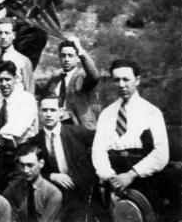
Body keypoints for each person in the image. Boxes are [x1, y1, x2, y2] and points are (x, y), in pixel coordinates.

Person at [92, 59, 169, 210]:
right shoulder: (106, 114)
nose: (121, 85)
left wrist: (131, 175)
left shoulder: (151, 112)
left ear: (137, 80)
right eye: (117, 80)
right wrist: (110, 177)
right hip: (114, 182)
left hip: (143, 179)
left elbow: (161, 153)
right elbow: (98, 150)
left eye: (126, 79)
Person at [34, 95, 101, 221]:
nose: (48, 114)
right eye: (44, 110)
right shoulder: (35, 141)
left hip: (82, 196)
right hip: (54, 197)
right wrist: (51, 176)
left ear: (61, 112)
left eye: (53, 110)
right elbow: (26, 171)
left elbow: (103, 142)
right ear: (39, 112)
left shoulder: (78, 133)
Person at [0, 60, 38, 189]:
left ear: (15, 78)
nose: (4, 84)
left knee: (18, 192)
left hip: (22, 153)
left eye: (7, 79)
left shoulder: (26, 99)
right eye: (0, 80)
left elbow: (18, 127)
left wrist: (1, 137)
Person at [43, 36, 100, 129]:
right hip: (58, 127)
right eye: (63, 55)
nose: (66, 59)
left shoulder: (82, 76)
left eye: (70, 56)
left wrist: (80, 49)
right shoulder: (55, 79)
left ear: (78, 58)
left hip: (80, 127)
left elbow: (94, 75)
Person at [3, 142, 62, 222]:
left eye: (30, 165)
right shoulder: (12, 190)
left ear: (41, 163)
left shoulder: (53, 193)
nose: (25, 170)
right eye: (22, 165)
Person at [0, 18, 34, 94]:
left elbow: (30, 91)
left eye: (7, 33)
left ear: (14, 35)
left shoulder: (23, 61)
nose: (3, 36)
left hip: (15, 103)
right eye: (0, 33)